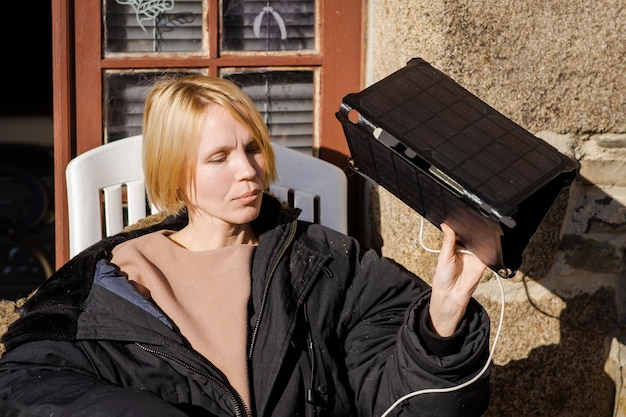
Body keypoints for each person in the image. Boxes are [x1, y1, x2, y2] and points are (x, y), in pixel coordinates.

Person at [0, 75, 491, 417]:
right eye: (219, 157)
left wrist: (441, 325)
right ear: (176, 173)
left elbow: (399, 403)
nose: (248, 169)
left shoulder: (327, 267)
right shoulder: (111, 284)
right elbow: (25, 385)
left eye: (252, 148)